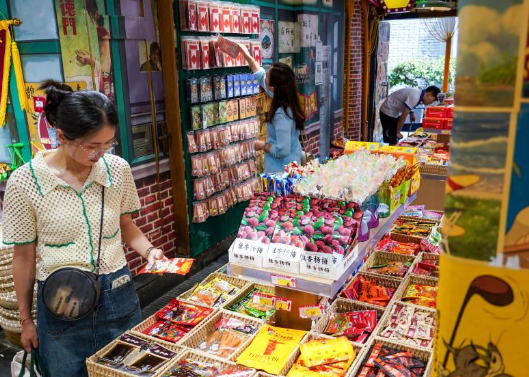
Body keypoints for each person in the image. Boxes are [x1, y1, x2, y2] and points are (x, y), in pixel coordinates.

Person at [3, 80, 165, 377]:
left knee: (130, 371)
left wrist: (150, 251)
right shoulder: (25, 182)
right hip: (61, 303)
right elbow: (23, 257)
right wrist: (27, 320)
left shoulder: (117, 170)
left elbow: (126, 226)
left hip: (118, 293)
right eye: (92, 146)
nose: (101, 153)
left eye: (108, 143)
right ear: (62, 136)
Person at [238, 43, 305, 173]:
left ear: (273, 87)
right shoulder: (285, 96)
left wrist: (262, 145)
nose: (265, 77)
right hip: (289, 169)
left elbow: (283, 150)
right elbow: (260, 74)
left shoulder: (282, 114)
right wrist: (246, 55)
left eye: (268, 76)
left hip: (281, 175)